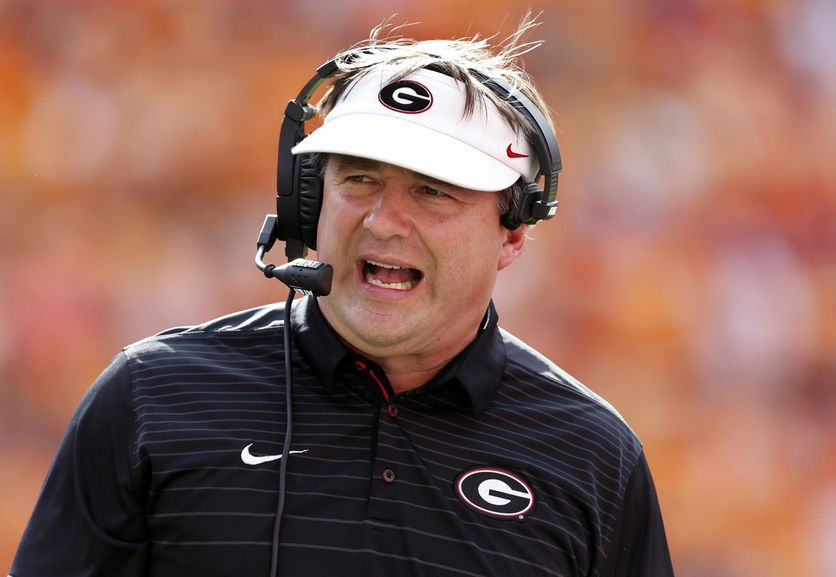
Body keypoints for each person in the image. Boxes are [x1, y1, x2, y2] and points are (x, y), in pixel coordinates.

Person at [10, 16, 674, 577]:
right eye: (358, 178)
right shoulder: (151, 396)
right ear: (307, 201)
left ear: (512, 232)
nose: (384, 220)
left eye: (433, 191)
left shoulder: (595, 459)